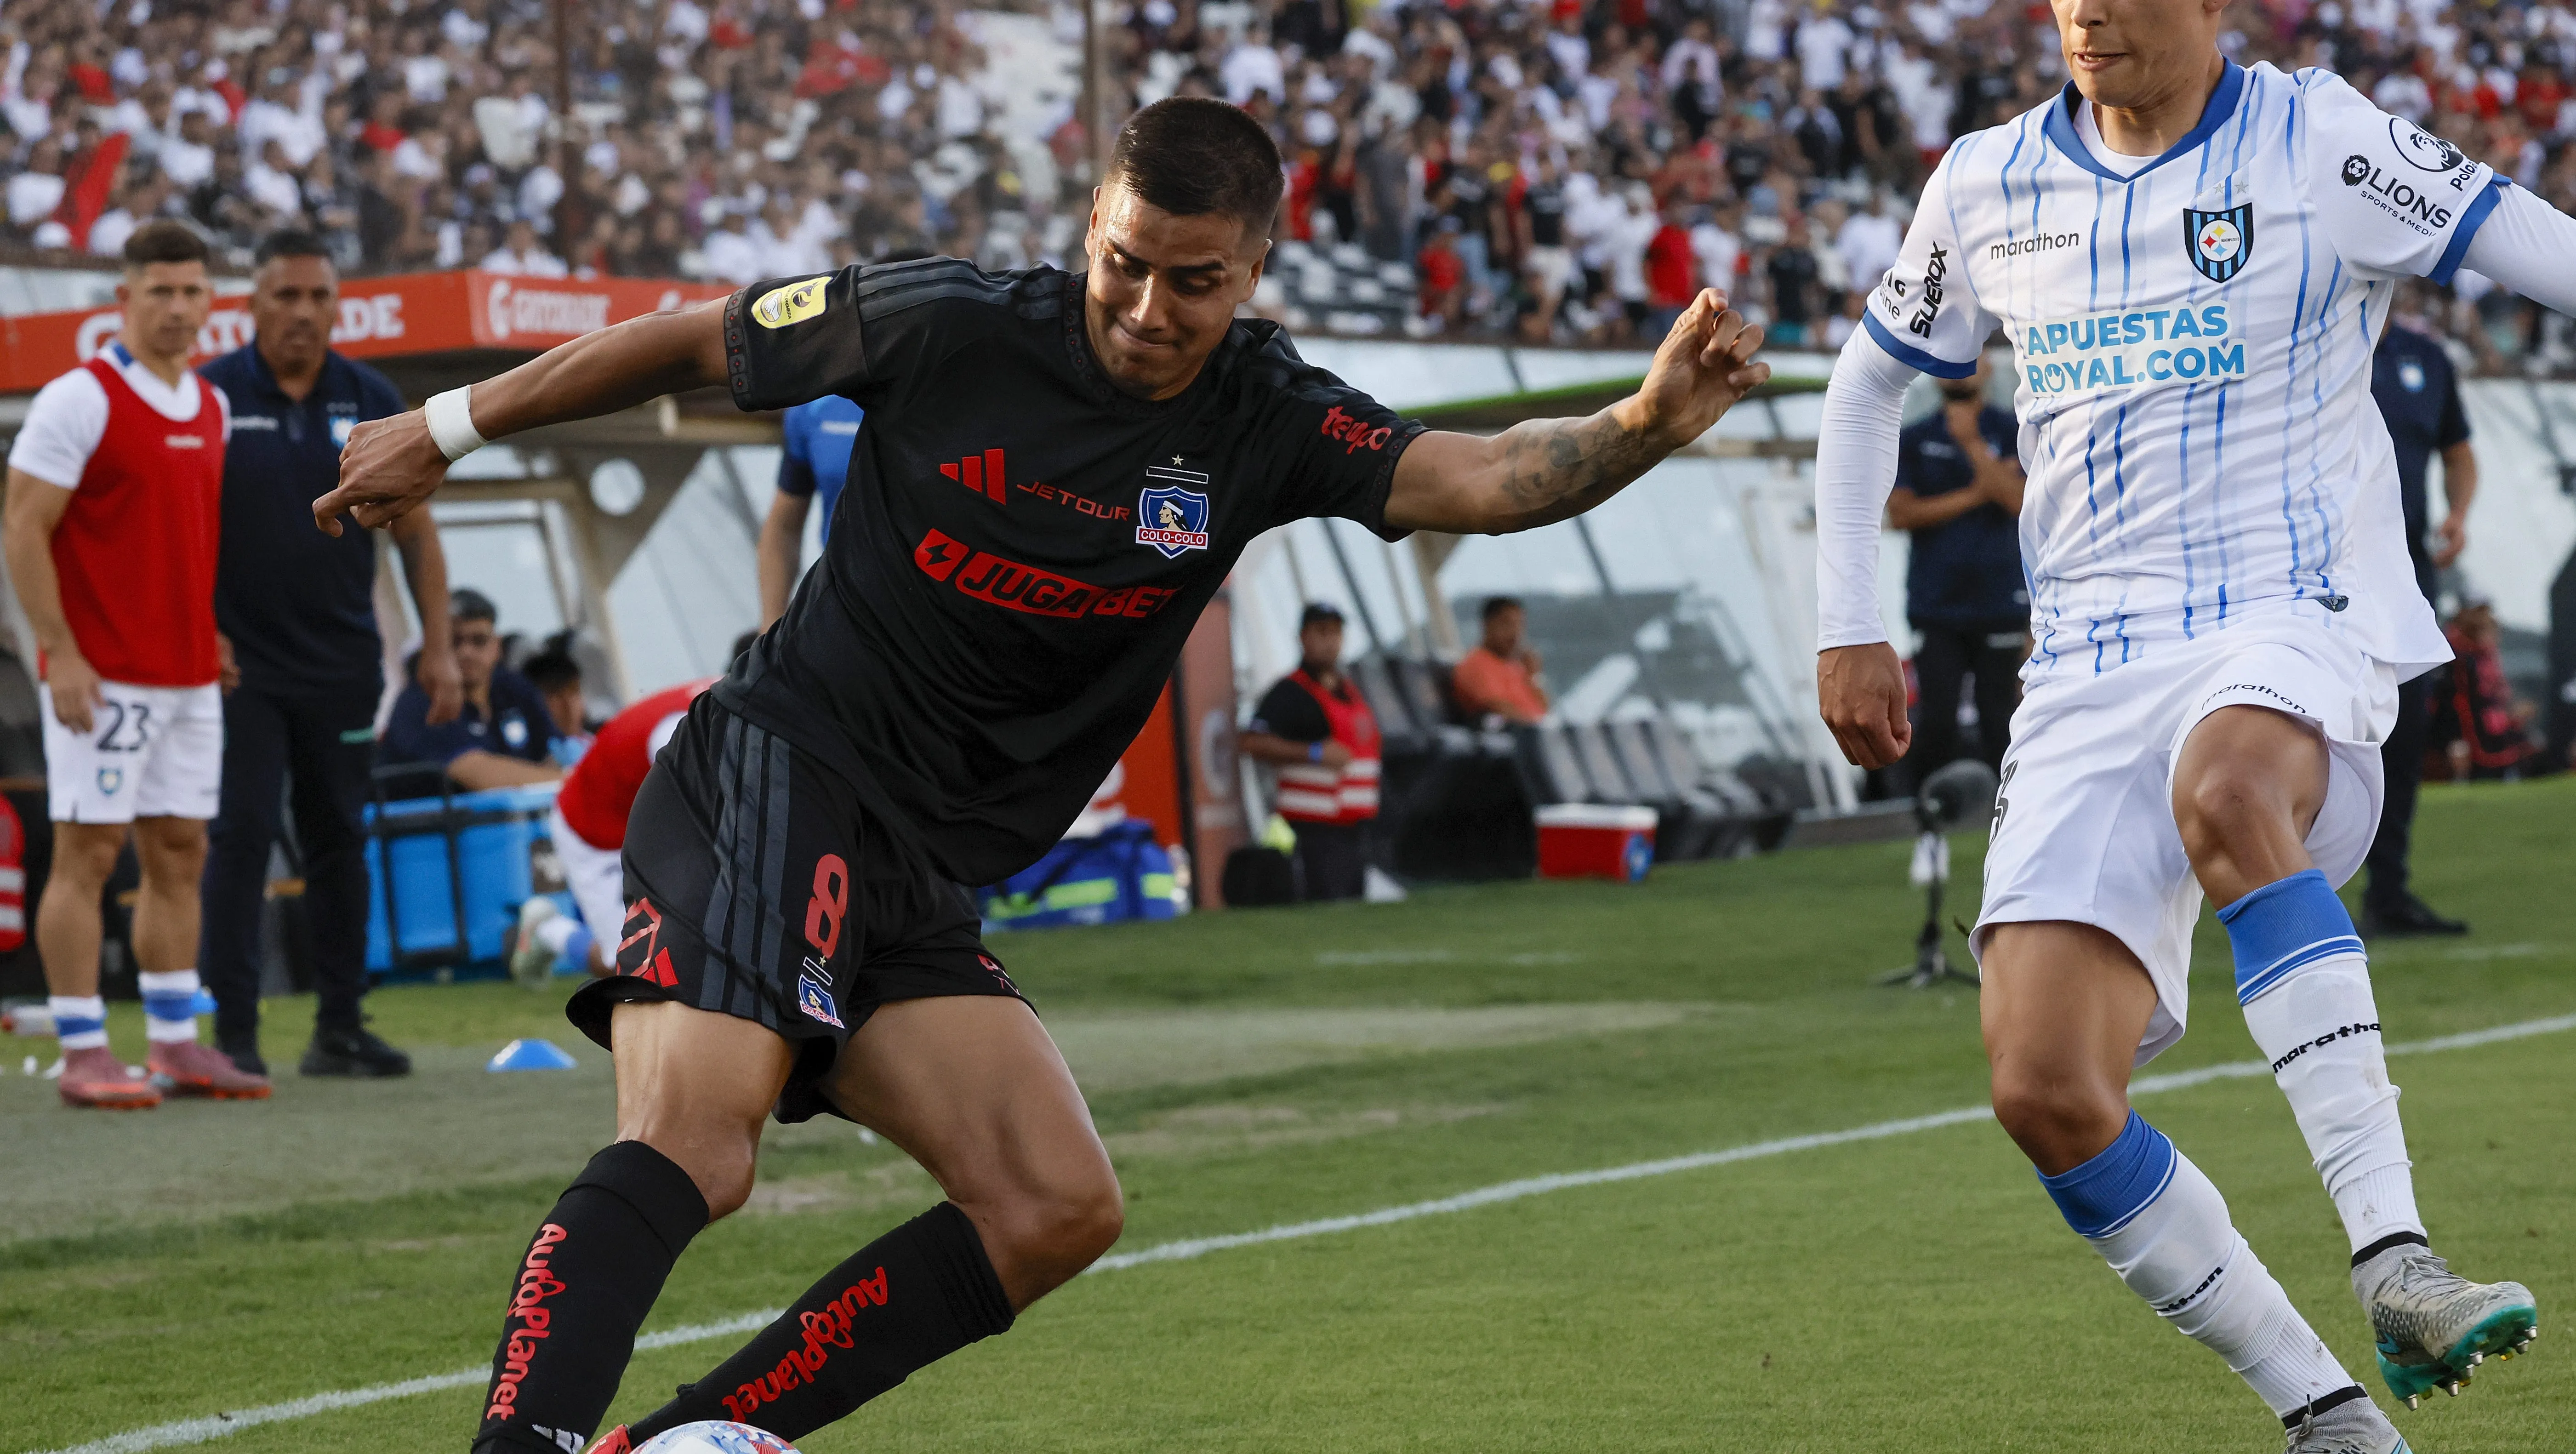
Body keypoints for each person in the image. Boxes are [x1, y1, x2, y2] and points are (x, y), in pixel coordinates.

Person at [313, 95, 1769, 1454]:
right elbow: (694, 339)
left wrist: (1640, 427)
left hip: (917, 863)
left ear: (1256, 269)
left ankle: (690, 1439)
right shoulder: (945, 320)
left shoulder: (1263, 417)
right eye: (1126, 264)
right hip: (783, 764)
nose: (1148, 308)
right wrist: (445, 430)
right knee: (700, 1140)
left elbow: (1473, 474)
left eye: (1194, 281)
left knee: (1053, 1204)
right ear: (1090, 224)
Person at [1813, 5, 2568, 1445]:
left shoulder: (2324, 144)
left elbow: (2560, 258)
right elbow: (1865, 391)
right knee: (2043, 1086)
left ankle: (2398, 1259)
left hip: (2286, 617)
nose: (2089, 10)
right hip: (2087, 667)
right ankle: (2331, 1414)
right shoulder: (1984, 182)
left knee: (2228, 793)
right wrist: (1850, 618)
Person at [0, 221, 267, 1107]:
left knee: (180, 850)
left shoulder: (214, 405)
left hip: (189, 673)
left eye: (194, 291)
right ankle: (82, 1049)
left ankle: (175, 1043)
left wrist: (211, 629)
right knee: (88, 851)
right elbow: (22, 527)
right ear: (124, 298)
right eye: (161, 291)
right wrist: (61, 652)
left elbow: (186, 538)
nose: (179, 307)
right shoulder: (78, 398)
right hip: (100, 674)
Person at [198, 228, 448, 1081]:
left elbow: (417, 535)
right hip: (240, 670)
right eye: (286, 296)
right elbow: (176, 534)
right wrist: (201, 629)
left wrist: (438, 648)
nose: (303, 312)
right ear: (252, 304)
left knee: (341, 835)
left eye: (318, 298)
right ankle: (232, 1034)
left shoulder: (371, 397)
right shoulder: (210, 398)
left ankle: (339, 1025)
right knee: (241, 834)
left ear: (337, 305)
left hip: (344, 666)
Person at [511, 651, 738, 986]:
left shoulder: (729, 702)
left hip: (645, 820)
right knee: (627, 963)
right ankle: (547, 930)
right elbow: (706, 821)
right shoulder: (684, 731)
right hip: (594, 832)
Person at [2359, 316, 2475, 935]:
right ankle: (2278, 894)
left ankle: (2387, 893)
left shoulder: (2425, 356)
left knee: (2402, 739)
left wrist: (2457, 513)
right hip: (2313, 573)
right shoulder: (2301, 328)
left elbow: (2457, 451)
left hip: (2404, 579)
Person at [1887, 355, 2027, 786]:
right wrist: (1978, 490)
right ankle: (1931, 814)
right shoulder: (1913, 438)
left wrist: (1969, 445)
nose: (1963, 369)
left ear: (1988, 370)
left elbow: (2018, 501)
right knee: (1937, 717)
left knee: (2002, 719)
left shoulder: (2012, 430)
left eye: (1974, 359)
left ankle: (2009, 816)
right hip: (1937, 603)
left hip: (2000, 601)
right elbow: (1901, 514)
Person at [1240, 603, 1383, 899]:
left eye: (1336, 634)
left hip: (1355, 824)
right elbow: (1252, 742)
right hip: (1315, 828)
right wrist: (1314, 753)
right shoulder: (1289, 693)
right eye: (1322, 633)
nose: (1330, 642)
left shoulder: (1348, 689)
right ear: (1303, 637)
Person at [377, 589, 562, 796]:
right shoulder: (418, 703)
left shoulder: (514, 688)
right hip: (435, 825)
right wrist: (570, 782)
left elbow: (552, 755)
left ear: (496, 646)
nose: (467, 652)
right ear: (434, 646)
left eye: (479, 640)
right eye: (455, 642)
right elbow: (478, 775)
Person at [758, 394, 862, 627]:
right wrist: (769, 629)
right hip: (843, 609)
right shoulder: (814, 406)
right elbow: (784, 527)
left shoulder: (941, 394)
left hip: (931, 610)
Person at [2434, 596, 2534, 780]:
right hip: (2470, 732)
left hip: (2492, 726)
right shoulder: (2461, 662)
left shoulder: (2485, 659)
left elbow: (2500, 693)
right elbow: (2459, 703)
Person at [1452, 595, 1550, 725]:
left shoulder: (1516, 667)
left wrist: (1533, 676)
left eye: (1519, 625)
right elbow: (1506, 715)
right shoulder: (1477, 664)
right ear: (1487, 625)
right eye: (1507, 623)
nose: (1515, 632)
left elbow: (1546, 711)